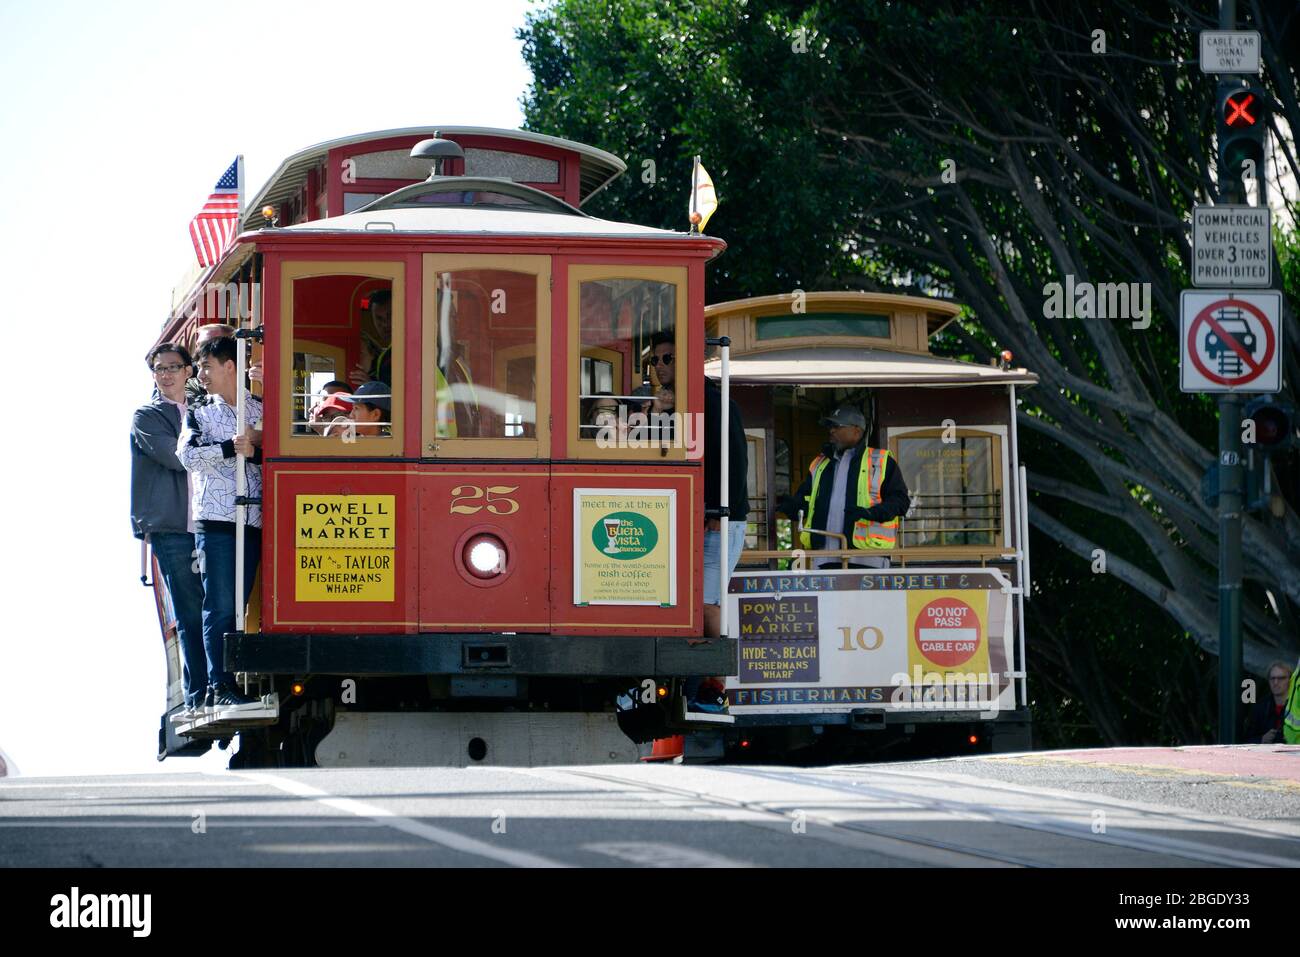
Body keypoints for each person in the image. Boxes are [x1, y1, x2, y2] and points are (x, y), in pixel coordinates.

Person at [178, 335, 263, 708]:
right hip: (215, 521)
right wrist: (230, 448)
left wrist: (256, 449)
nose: (201, 374)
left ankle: (235, 681)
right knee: (221, 606)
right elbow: (188, 456)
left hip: (253, 518)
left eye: (207, 366)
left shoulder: (261, 409)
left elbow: (279, 455)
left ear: (231, 366)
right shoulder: (199, 413)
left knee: (241, 603)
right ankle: (219, 687)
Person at [131, 343, 207, 715]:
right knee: (190, 609)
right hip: (172, 528)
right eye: (159, 369)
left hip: (210, 521)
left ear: (188, 371)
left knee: (216, 608)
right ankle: (198, 694)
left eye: (173, 367)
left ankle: (216, 685)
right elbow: (177, 458)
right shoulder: (147, 416)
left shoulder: (204, 411)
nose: (165, 374)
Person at [777, 404, 909, 569]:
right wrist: (791, 506)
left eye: (837, 426)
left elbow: (901, 501)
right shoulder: (819, 464)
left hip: (867, 559)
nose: (831, 431)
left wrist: (871, 513)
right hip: (823, 559)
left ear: (857, 431)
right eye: (830, 427)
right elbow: (806, 504)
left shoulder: (880, 461)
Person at [689, 373, 751, 716]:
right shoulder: (692, 404)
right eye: (654, 360)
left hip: (721, 519)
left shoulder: (715, 403)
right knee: (700, 601)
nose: (659, 366)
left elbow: (736, 461)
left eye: (668, 358)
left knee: (709, 602)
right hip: (709, 516)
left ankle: (716, 690)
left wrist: (720, 508)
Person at [348, 290, 392, 387]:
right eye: (379, 318)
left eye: (390, 316)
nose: (385, 324)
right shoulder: (385, 355)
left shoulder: (409, 349)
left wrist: (370, 386)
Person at [1246, 661, 1294, 744]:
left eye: (1281, 678)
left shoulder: (1296, 706)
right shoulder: (1260, 708)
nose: (1275, 682)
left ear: (1290, 680)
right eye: (1272, 678)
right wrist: (1262, 739)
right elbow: (1246, 739)